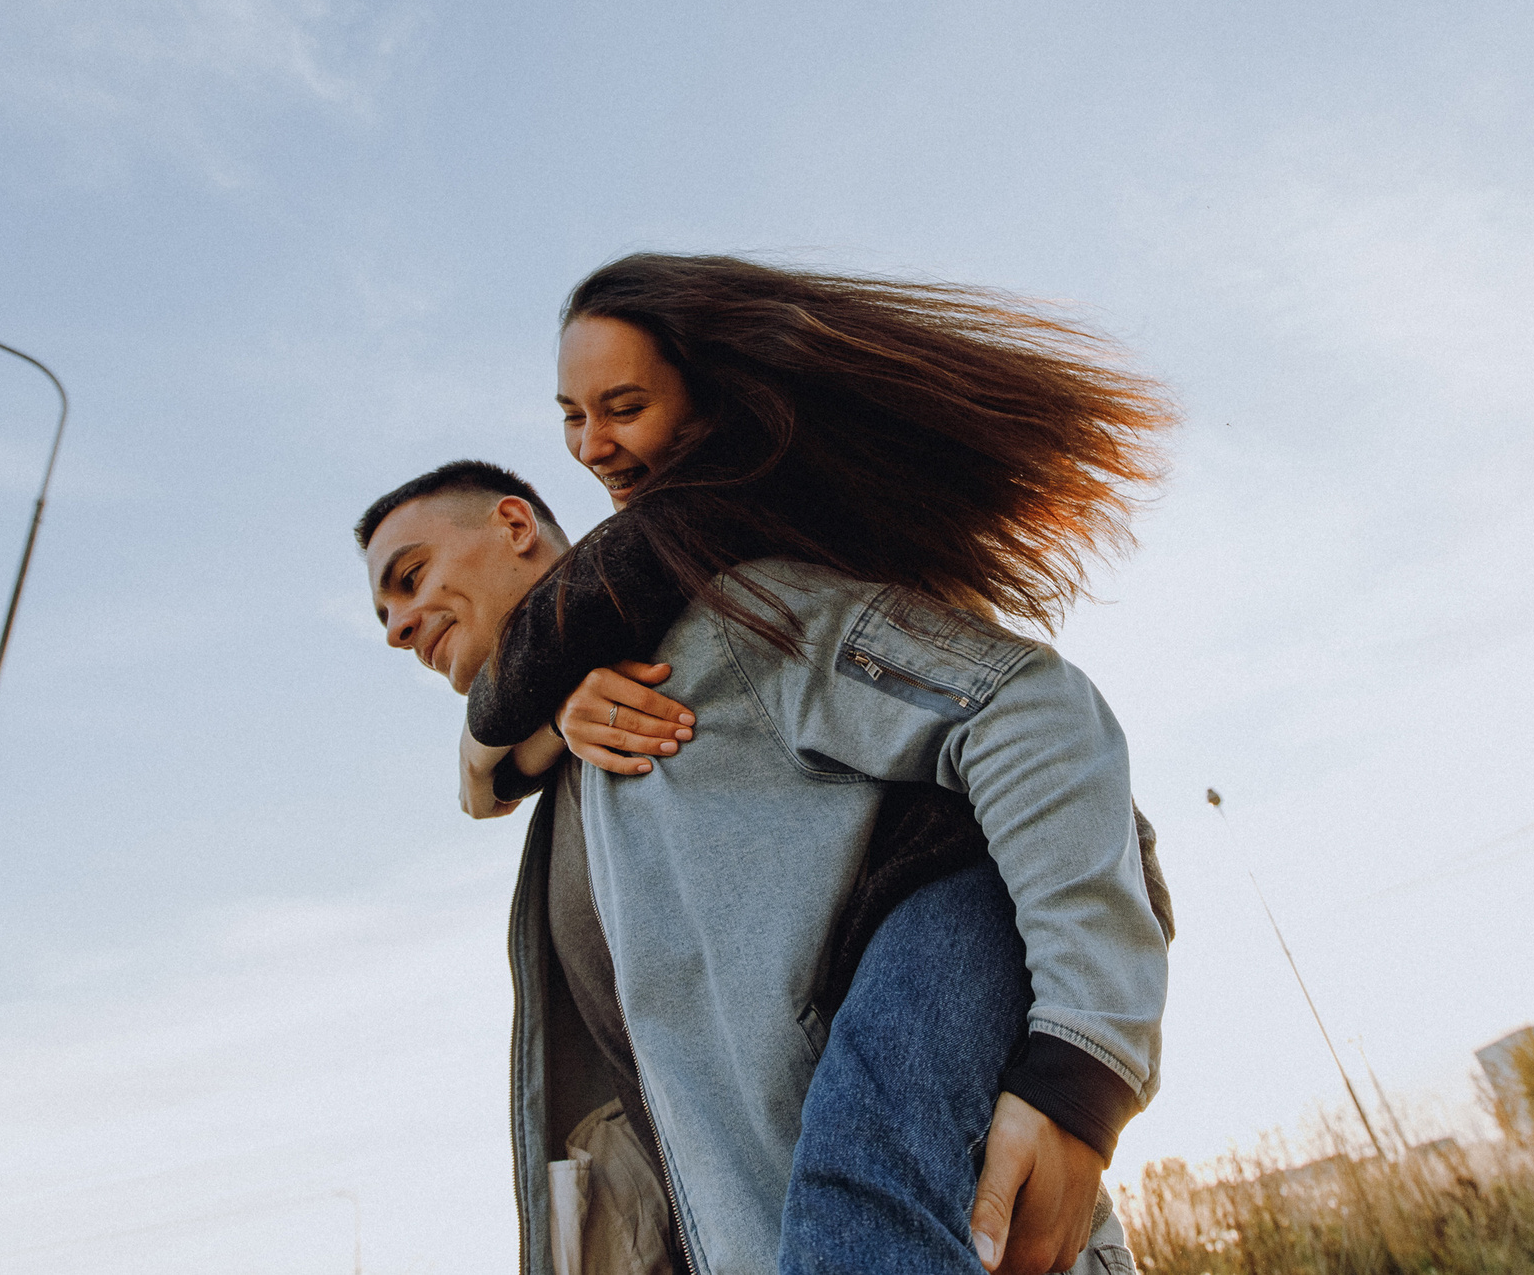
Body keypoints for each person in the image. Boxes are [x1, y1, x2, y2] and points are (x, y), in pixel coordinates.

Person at [363, 255, 1175, 1275]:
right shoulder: (576, 741)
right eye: (572, 415)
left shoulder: (713, 602)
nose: (396, 625)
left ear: (515, 526)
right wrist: (538, 723)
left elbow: (1031, 714)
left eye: (408, 577)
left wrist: (1082, 1061)